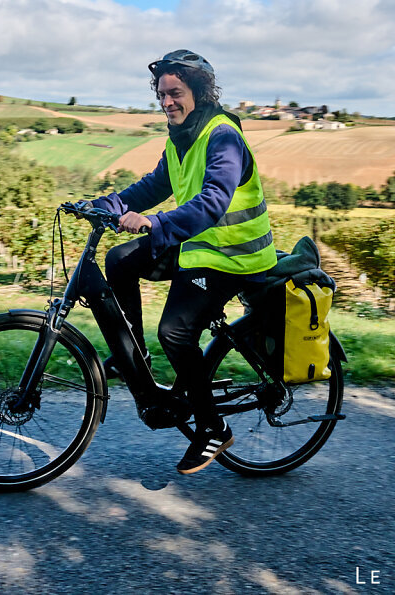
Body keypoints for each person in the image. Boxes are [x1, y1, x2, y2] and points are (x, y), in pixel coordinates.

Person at [91, 49, 278, 474]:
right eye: (161, 95)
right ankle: (131, 359)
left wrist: (154, 224)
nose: (167, 102)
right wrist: (101, 204)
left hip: (234, 255)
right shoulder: (180, 137)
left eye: (175, 93)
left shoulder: (222, 135)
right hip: (200, 246)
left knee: (175, 331)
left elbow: (214, 200)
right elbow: (153, 186)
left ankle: (213, 427)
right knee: (119, 261)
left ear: (199, 91)